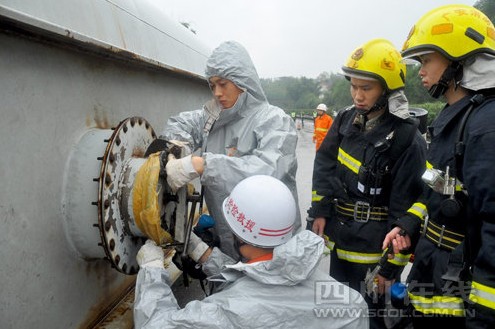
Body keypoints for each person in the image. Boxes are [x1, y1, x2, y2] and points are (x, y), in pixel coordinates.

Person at [133, 175, 369, 329]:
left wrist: (152, 270)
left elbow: (154, 325)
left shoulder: (226, 312)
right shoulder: (349, 303)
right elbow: (265, 277)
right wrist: (202, 252)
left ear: (238, 235)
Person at [307, 38, 427, 329]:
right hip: (341, 242)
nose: (357, 95)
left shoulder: (405, 137)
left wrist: (389, 268)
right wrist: (320, 210)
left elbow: (406, 212)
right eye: (354, 86)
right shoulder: (346, 119)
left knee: (370, 319)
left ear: (386, 90)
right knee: (336, 314)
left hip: (375, 251)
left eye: (366, 88)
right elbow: (324, 163)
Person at [393, 4, 495, 328]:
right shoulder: (453, 121)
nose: (420, 71)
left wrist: (484, 317)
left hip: (458, 298)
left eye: (426, 60)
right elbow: (435, 188)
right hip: (431, 274)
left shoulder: (485, 127)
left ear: (457, 58)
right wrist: (409, 224)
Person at [161, 41, 301, 260]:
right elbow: (179, 124)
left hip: (270, 249)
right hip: (228, 242)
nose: (217, 93)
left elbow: (270, 173)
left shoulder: (274, 120)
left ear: (243, 82)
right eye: (212, 85)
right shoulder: (212, 117)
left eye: (223, 84)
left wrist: (203, 165)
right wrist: (179, 150)